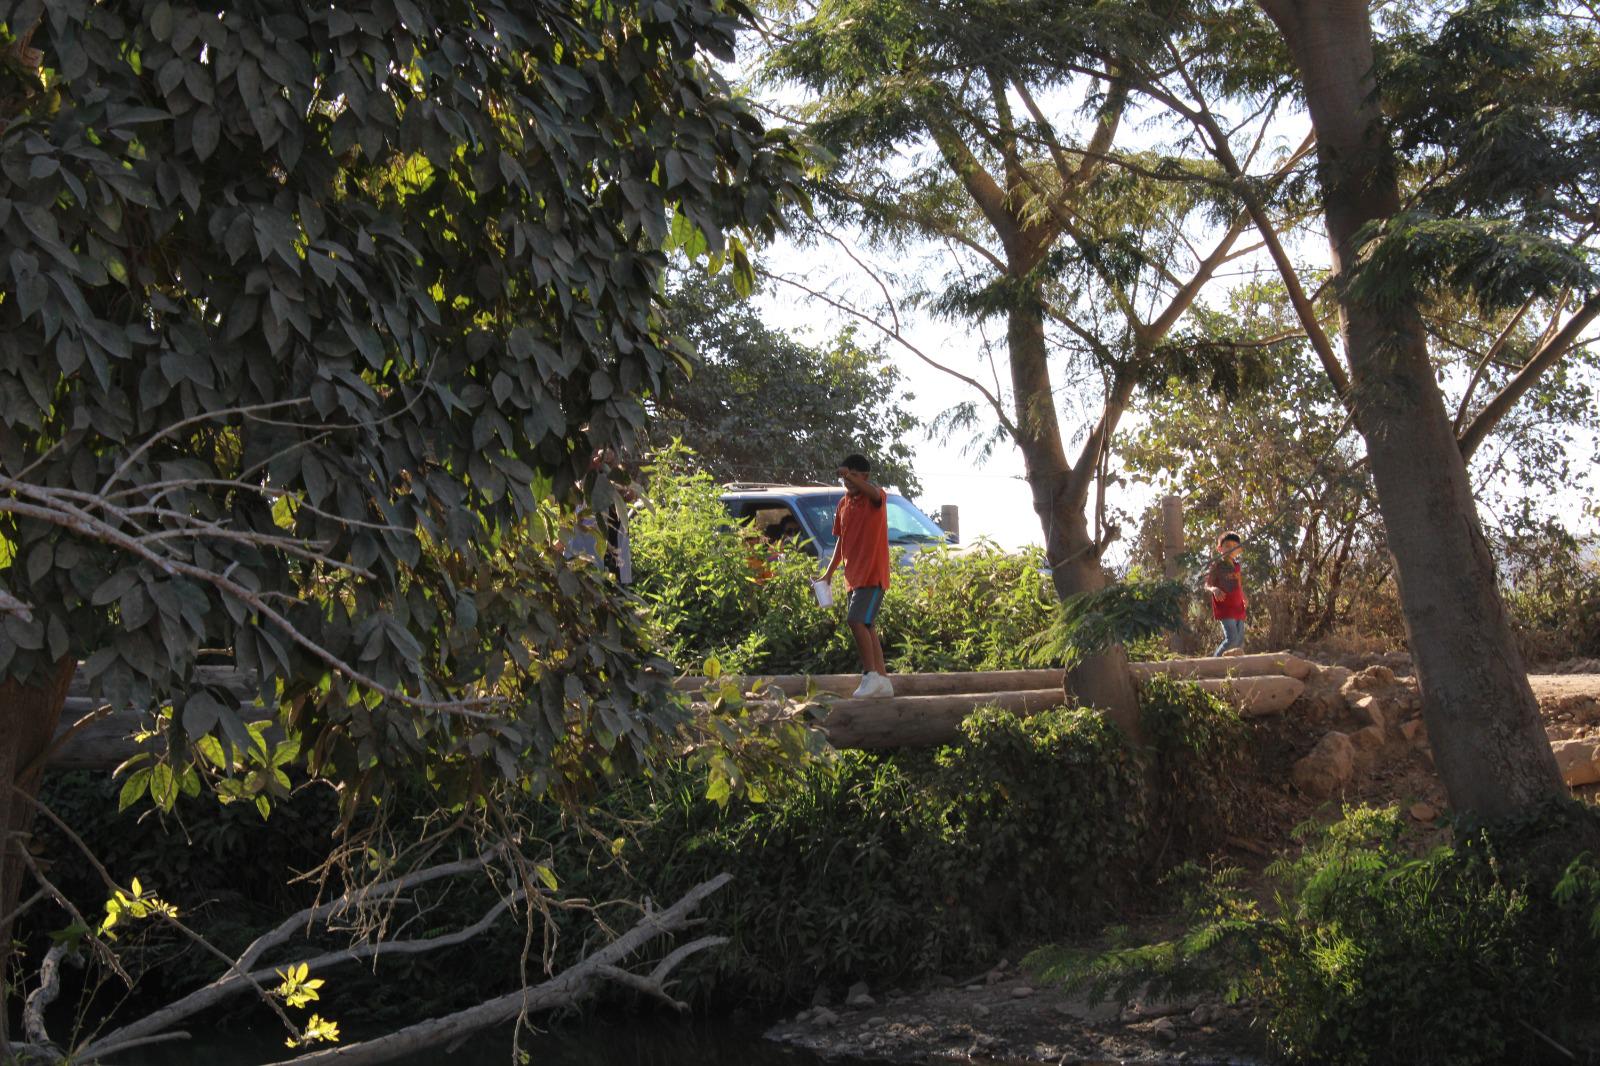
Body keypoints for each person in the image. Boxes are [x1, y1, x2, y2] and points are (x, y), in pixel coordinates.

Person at [821, 454, 893, 698]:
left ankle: (870, 675)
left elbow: (872, 494)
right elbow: (841, 543)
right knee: (867, 625)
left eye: (853, 475)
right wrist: (828, 574)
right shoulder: (843, 505)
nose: (848, 481)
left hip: (873, 575)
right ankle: (883, 680)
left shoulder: (876, 497)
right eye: (845, 477)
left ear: (865, 477)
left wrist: (848, 474)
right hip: (853, 578)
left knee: (855, 621)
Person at [1205, 531, 1247, 657]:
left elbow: (1238, 584)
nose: (1231, 548)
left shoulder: (1237, 566)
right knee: (1232, 639)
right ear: (1220, 548)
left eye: (1235, 546)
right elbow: (1207, 584)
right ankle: (1213, 663)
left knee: (1239, 641)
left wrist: (1244, 597)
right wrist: (1215, 590)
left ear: (1239, 550)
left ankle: (1231, 668)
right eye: (1227, 545)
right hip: (1225, 607)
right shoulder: (1217, 565)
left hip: (1238, 606)